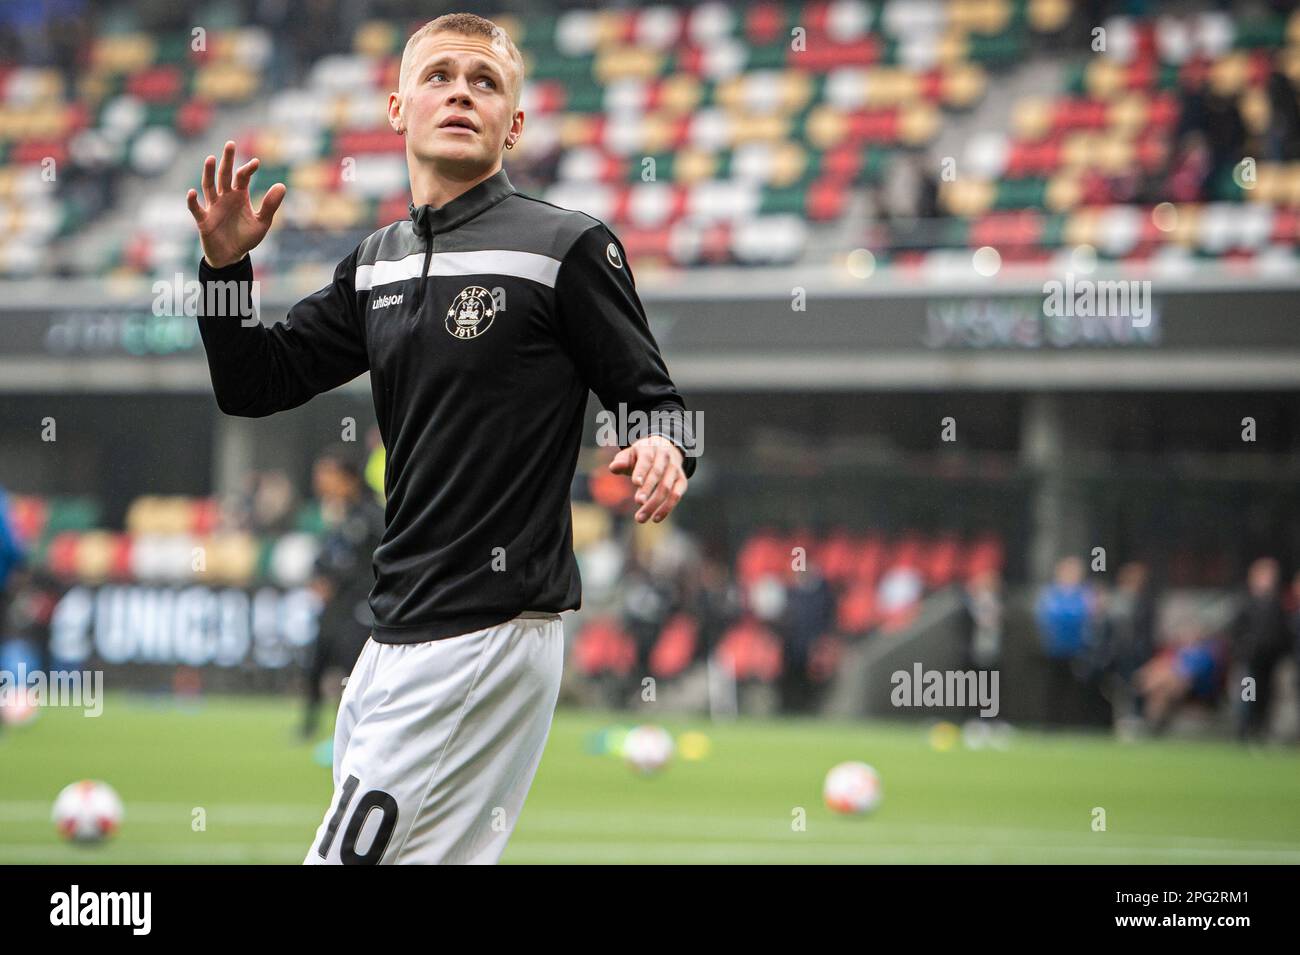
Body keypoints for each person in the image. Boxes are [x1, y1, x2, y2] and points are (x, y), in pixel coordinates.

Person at [186, 13, 697, 864]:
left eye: (486, 81)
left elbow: (657, 402)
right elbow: (253, 383)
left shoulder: (565, 246)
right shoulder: (376, 261)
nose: (462, 90)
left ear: (515, 124)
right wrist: (224, 273)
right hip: (393, 636)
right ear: (397, 107)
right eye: (440, 75)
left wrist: (661, 446)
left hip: (484, 630)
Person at [301, 447, 385, 741]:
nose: (321, 482)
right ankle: (310, 725)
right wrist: (319, 576)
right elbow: (326, 555)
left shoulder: (371, 514)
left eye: (328, 475)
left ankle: (353, 733)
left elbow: (372, 561)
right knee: (318, 661)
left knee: (352, 670)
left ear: (348, 478)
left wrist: (337, 580)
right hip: (335, 604)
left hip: (360, 605)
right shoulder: (338, 512)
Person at [1229, 557, 1289, 743]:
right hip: (1250, 660)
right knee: (1248, 694)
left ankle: (1261, 730)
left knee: (1266, 695)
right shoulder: (1245, 602)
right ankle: (1245, 730)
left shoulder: (1276, 604)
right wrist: (1244, 650)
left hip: (1269, 660)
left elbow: (1282, 631)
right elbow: (1236, 631)